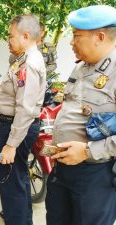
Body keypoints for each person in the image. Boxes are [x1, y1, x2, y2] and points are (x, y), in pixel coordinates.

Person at [46, 5, 116, 225]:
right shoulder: (81, 68)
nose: (71, 42)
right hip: (62, 170)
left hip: (95, 175)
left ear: (100, 37)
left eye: (77, 36)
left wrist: (87, 151)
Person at [0, 14, 46, 225]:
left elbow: (25, 109)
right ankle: (22, 219)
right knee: (18, 177)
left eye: (11, 36)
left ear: (25, 36)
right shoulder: (23, 60)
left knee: (10, 181)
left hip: (15, 128)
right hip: (13, 125)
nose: (8, 40)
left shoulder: (29, 65)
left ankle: (17, 219)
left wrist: (10, 144)